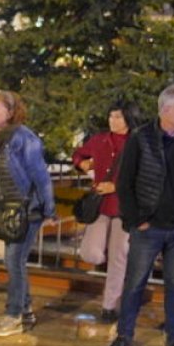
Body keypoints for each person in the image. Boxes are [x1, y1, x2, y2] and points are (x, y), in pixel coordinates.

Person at [108, 83, 174, 346]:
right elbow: (125, 182)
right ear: (167, 109)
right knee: (135, 283)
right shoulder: (141, 138)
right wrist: (136, 220)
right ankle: (124, 336)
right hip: (147, 227)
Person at [0, 91, 58, 337]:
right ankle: (24, 312)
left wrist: (48, 209)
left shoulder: (24, 138)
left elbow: (41, 177)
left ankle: (14, 314)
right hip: (10, 209)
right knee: (14, 261)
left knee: (14, 261)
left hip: (27, 210)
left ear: (10, 112)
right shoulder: (1, 137)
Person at [70, 101, 139, 324]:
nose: (113, 121)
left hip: (124, 208)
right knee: (90, 253)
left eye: (118, 117)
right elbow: (78, 154)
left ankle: (110, 306)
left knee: (119, 259)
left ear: (129, 118)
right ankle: (109, 258)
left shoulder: (137, 143)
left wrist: (116, 186)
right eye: (111, 116)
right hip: (100, 205)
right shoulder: (99, 139)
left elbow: (143, 176)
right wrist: (82, 163)